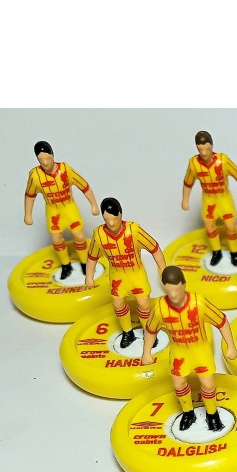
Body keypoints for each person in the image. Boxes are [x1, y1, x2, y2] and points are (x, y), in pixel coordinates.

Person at [141, 266, 237, 432]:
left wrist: (231, 345)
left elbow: (221, 321)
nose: (173, 295)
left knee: (208, 384)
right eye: (169, 291)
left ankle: (212, 414)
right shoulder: (160, 308)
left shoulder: (198, 303)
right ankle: (188, 412)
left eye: (177, 290)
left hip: (200, 350)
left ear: (184, 285)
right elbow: (151, 330)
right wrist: (146, 352)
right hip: (179, 353)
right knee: (179, 383)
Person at [85, 198, 166, 348]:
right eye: (107, 220)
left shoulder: (134, 231)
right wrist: (89, 276)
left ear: (120, 215)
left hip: (136, 274)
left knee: (144, 303)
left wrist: (163, 268)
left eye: (114, 219)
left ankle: (148, 331)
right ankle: (128, 332)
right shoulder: (99, 236)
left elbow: (154, 248)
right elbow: (92, 256)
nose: (111, 223)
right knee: (118, 304)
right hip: (117, 277)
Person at [24, 141, 100, 279]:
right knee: (57, 239)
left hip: (69, 208)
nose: (45, 163)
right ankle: (66, 264)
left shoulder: (65, 169)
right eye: (41, 160)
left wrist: (93, 204)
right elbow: (30, 195)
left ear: (53, 155)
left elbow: (84, 186)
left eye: (47, 158)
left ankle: (84, 262)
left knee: (80, 236)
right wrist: (28, 214)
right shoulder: (35, 176)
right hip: (53, 211)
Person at [182, 130, 237, 267]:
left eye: (207, 149)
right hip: (208, 200)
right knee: (209, 227)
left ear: (212, 146)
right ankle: (216, 251)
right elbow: (188, 183)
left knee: (231, 226)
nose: (204, 153)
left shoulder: (223, 161)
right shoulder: (194, 164)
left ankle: (235, 252)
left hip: (224, 198)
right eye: (200, 149)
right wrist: (185, 200)